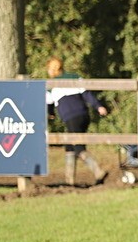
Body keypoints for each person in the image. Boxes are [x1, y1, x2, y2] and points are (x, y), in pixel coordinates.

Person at [46, 57, 108, 185]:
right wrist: (98, 107)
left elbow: (49, 103)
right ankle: (70, 181)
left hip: (71, 117)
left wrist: (50, 114)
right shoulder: (75, 77)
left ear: (52, 70)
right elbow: (87, 95)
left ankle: (98, 171)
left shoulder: (52, 85)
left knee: (78, 147)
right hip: (84, 115)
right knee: (70, 147)